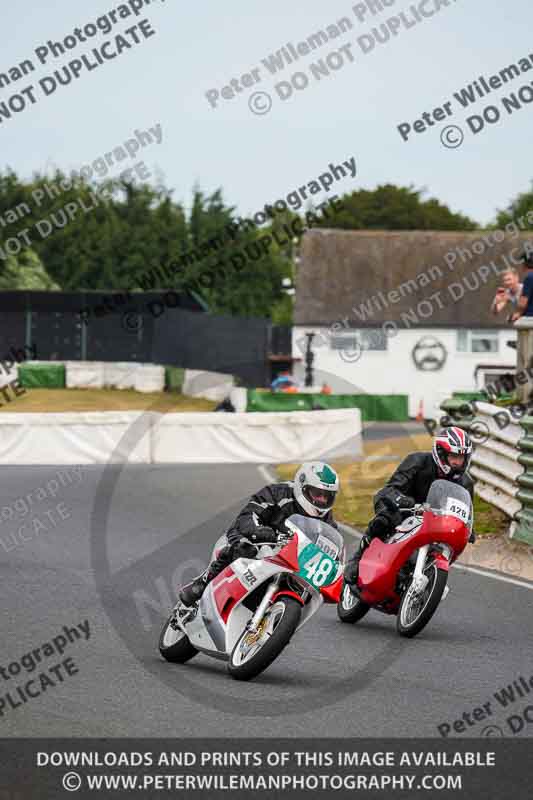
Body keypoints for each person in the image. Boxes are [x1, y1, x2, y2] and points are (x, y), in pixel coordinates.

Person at [179, 461, 340, 606]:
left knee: (306, 591)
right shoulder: (278, 492)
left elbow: (329, 546)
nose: (321, 501)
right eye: (317, 494)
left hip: (288, 556)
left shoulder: (326, 519)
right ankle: (203, 583)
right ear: (302, 486)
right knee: (246, 549)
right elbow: (248, 516)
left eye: (327, 497)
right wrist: (266, 534)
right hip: (255, 538)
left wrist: (335, 567)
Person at [344, 427, 476, 589]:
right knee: (386, 518)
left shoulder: (466, 483)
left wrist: (470, 528)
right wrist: (403, 500)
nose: (457, 462)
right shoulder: (417, 461)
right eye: (453, 456)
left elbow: (467, 510)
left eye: (461, 458)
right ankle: (358, 559)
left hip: (434, 520)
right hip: (402, 508)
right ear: (441, 454)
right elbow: (390, 488)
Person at [512, 247, 533, 320]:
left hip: (529, 319)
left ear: (525, 263)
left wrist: (517, 314)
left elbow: (523, 303)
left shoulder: (529, 278)